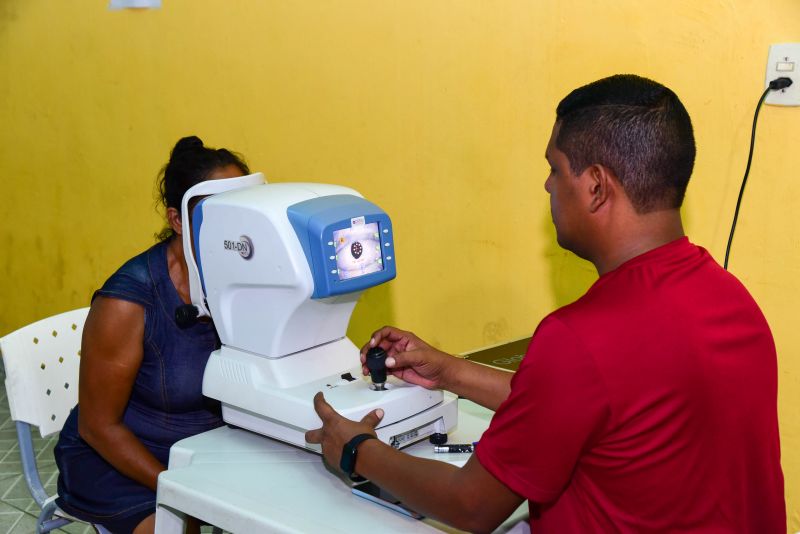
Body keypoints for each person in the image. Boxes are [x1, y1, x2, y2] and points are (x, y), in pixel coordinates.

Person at [305, 75, 786, 532]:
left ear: (596, 186)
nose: (548, 186)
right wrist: (448, 372)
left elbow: (472, 506)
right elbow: (591, 411)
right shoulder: (730, 299)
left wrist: (355, 449)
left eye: (555, 168)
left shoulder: (582, 337)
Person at [54, 136, 250, 534]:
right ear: (177, 220)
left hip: (203, 450)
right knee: (177, 530)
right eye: (220, 215)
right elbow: (98, 427)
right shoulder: (128, 301)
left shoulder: (247, 283)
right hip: (119, 458)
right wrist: (181, 490)